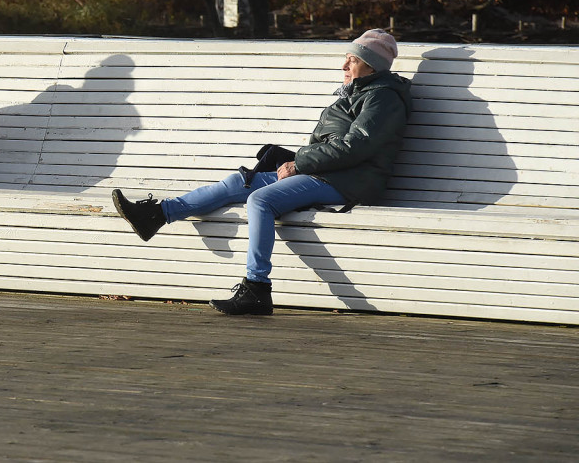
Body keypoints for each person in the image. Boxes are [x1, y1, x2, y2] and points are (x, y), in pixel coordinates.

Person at [112, 29, 412, 316]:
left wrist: (299, 162)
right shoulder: (357, 92)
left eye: (353, 60)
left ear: (372, 67)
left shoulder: (382, 98)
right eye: (346, 58)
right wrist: (298, 162)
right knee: (238, 182)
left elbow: (354, 148)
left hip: (350, 181)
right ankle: (156, 215)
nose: (344, 66)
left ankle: (257, 288)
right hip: (326, 172)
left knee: (260, 200)